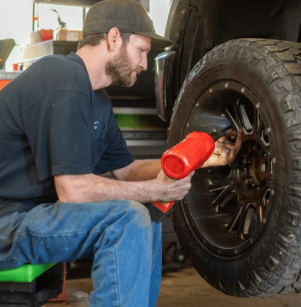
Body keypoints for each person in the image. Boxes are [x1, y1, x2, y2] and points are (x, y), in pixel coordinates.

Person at [0, 0, 242, 306]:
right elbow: (72, 190)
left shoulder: (97, 100)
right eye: (141, 50)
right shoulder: (61, 78)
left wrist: (203, 159)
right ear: (114, 38)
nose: (144, 63)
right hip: (7, 223)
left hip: (33, 218)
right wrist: (155, 188)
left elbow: (127, 170)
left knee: (150, 211)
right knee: (126, 219)